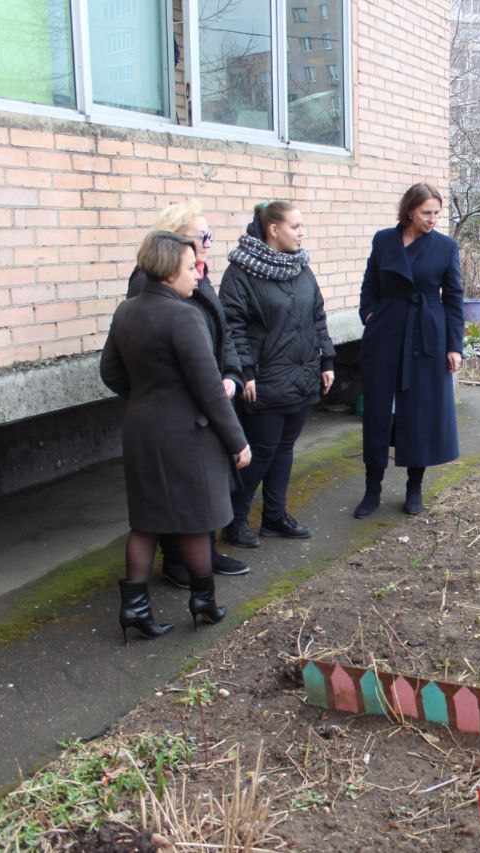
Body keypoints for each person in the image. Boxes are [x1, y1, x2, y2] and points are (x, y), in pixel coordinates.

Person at [101, 232, 252, 643]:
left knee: (146, 521)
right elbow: (208, 387)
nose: (196, 274)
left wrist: (150, 395)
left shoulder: (125, 311)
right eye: (190, 268)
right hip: (186, 432)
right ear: (169, 272)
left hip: (140, 428)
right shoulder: (184, 315)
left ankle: (134, 609)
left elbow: (111, 374)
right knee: (194, 516)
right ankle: (204, 603)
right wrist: (238, 441)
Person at [126, 201, 250, 586]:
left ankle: (198, 566)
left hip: (199, 397)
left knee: (195, 494)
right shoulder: (155, 288)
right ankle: (193, 581)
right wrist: (173, 391)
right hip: (187, 408)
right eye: (202, 236)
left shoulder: (198, 275)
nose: (209, 244)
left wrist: (230, 372)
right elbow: (138, 362)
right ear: (174, 238)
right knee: (179, 494)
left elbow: (222, 330)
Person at [220, 202, 335, 547]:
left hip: (302, 375)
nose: (302, 233)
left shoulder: (301, 268)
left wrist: (327, 360)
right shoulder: (241, 272)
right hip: (264, 379)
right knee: (260, 452)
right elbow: (232, 327)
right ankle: (235, 520)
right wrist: (244, 371)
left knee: (284, 449)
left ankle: (274, 516)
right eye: (296, 226)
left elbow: (318, 316)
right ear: (273, 229)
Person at [353, 183, 463, 519]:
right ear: (409, 211)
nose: (432, 219)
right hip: (386, 330)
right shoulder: (384, 239)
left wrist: (453, 346)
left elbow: (454, 298)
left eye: (436, 214)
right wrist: (369, 314)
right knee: (377, 412)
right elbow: (370, 283)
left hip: (427, 335)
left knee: (421, 412)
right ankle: (372, 490)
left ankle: (414, 489)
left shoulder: (445, 247)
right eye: (426, 213)